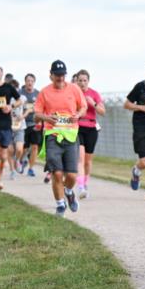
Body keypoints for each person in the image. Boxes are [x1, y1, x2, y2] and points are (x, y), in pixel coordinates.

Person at [34, 60, 86, 216]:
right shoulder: (44, 92)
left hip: (70, 135)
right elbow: (36, 115)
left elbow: (83, 107)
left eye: (63, 75)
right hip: (52, 135)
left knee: (71, 175)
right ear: (51, 76)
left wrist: (78, 115)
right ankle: (60, 205)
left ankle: (69, 192)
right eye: (57, 75)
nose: (60, 78)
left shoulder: (74, 89)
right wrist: (46, 118)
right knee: (56, 173)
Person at [73, 70, 105, 199]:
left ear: (88, 81)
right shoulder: (73, 94)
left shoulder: (94, 94)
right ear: (76, 81)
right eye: (80, 80)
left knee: (87, 160)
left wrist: (93, 103)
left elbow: (102, 112)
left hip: (91, 128)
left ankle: (85, 184)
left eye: (84, 80)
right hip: (78, 127)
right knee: (80, 157)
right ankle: (80, 187)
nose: (82, 83)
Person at [18, 74, 40, 177]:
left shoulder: (38, 94)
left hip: (34, 123)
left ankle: (31, 168)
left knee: (35, 146)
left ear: (34, 82)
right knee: (24, 148)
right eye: (28, 80)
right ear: (25, 82)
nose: (30, 82)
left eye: (31, 81)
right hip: (23, 124)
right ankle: (21, 161)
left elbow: (41, 108)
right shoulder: (20, 93)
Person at [9, 79, 26, 178]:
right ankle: (12, 171)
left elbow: (28, 107)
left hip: (20, 126)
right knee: (10, 150)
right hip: (7, 127)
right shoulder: (5, 99)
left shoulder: (22, 98)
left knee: (19, 149)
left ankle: (17, 161)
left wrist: (23, 115)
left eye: (14, 88)